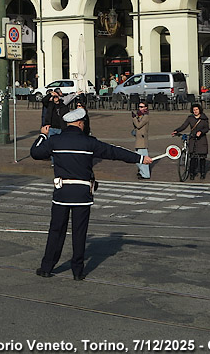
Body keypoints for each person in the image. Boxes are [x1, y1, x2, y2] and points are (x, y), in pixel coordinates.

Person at [31, 107, 150, 280]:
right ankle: (78, 272)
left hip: (62, 193)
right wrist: (140, 159)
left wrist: (43, 135)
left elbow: (35, 153)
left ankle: (47, 267)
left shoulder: (55, 141)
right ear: (80, 123)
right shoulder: (89, 142)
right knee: (79, 233)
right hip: (82, 194)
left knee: (56, 231)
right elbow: (114, 152)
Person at [172, 103, 210, 180]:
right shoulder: (190, 118)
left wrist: (201, 132)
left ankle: (203, 173)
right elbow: (184, 126)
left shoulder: (204, 118)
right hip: (193, 139)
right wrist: (176, 130)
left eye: (196, 109)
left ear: (199, 110)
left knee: (202, 158)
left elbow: (206, 128)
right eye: (194, 110)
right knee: (193, 157)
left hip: (201, 140)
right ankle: (192, 173)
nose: (195, 111)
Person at [132, 101, 150, 179]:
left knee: (142, 158)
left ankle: (145, 174)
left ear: (146, 107)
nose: (140, 108)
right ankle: (141, 172)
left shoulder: (146, 116)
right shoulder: (141, 116)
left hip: (142, 139)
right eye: (139, 107)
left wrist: (134, 118)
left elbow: (138, 125)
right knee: (139, 157)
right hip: (139, 138)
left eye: (142, 107)